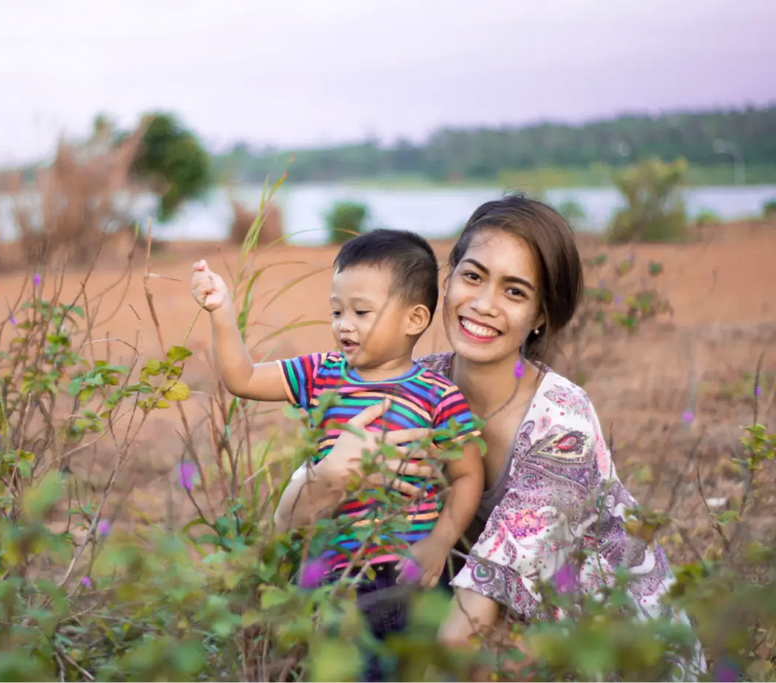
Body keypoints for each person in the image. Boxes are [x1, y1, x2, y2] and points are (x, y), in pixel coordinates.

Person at [273, 195, 706, 681]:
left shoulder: (562, 428)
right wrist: (329, 474)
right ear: (449, 276)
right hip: (482, 626)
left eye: (515, 292)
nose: (483, 304)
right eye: (473, 276)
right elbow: (287, 523)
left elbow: (471, 621)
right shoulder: (415, 387)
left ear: (541, 316)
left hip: (605, 648)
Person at [191, 228, 485, 681]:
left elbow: (468, 476)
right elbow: (242, 378)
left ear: (414, 318)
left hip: (410, 575)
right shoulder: (322, 374)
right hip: (335, 577)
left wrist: (441, 541)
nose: (343, 324)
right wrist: (221, 313)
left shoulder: (438, 395)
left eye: (361, 312)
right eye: (337, 310)